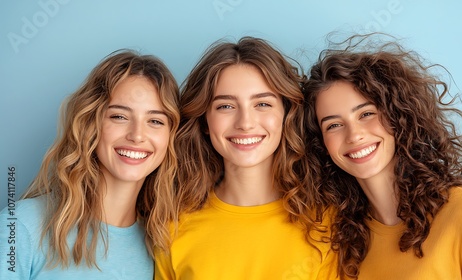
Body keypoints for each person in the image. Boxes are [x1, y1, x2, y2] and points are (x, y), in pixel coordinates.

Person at [303, 33, 462, 279]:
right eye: (333, 125)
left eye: (366, 114)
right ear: (320, 143)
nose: (354, 135)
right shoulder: (343, 244)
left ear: (399, 116)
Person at [154, 37, 336, 279]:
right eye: (226, 106)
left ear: (286, 114)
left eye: (262, 103)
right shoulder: (171, 227)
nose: (245, 123)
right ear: (205, 121)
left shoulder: (326, 223)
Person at [0, 50, 180, 279]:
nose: (137, 135)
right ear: (91, 124)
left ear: (171, 137)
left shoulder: (161, 245)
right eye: (119, 116)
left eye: (155, 121)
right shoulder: (22, 225)